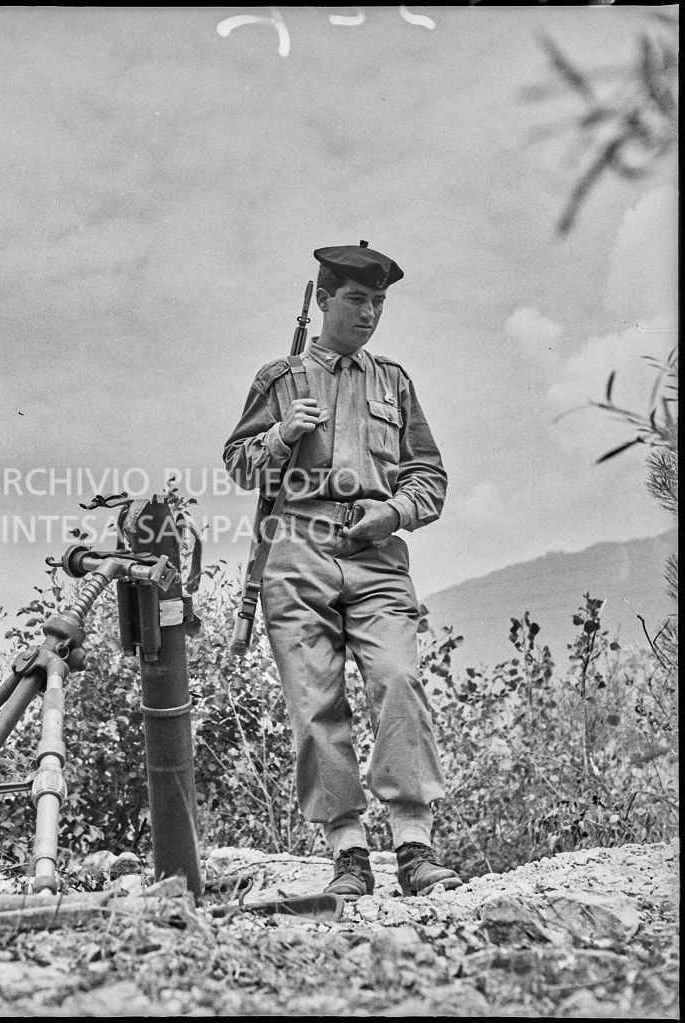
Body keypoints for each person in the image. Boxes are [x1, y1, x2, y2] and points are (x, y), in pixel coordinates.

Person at [222, 242, 462, 899]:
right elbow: (240, 465)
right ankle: (349, 855)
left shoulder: (395, 382)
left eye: (379, 302)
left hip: (377, 556)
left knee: (399, 678)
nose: (370, 313)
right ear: (324, 299)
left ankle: (414, 847)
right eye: (358, 299)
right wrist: (278, 435)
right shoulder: (279, 378)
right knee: (316, 704)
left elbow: (429, 475)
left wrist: (394, 513)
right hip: (297, 552)